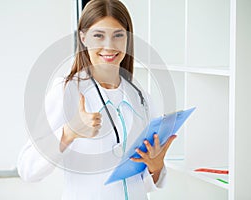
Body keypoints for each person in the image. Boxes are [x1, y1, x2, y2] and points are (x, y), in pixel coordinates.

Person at [17, 0, 176, 199]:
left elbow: (139, 181)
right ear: (83, 38)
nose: (109, 46)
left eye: (118, 35)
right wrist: (69, 133)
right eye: (98, 35)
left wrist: (156, 167)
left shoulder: (140, 96)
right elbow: (27, 169)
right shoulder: (67, 91)